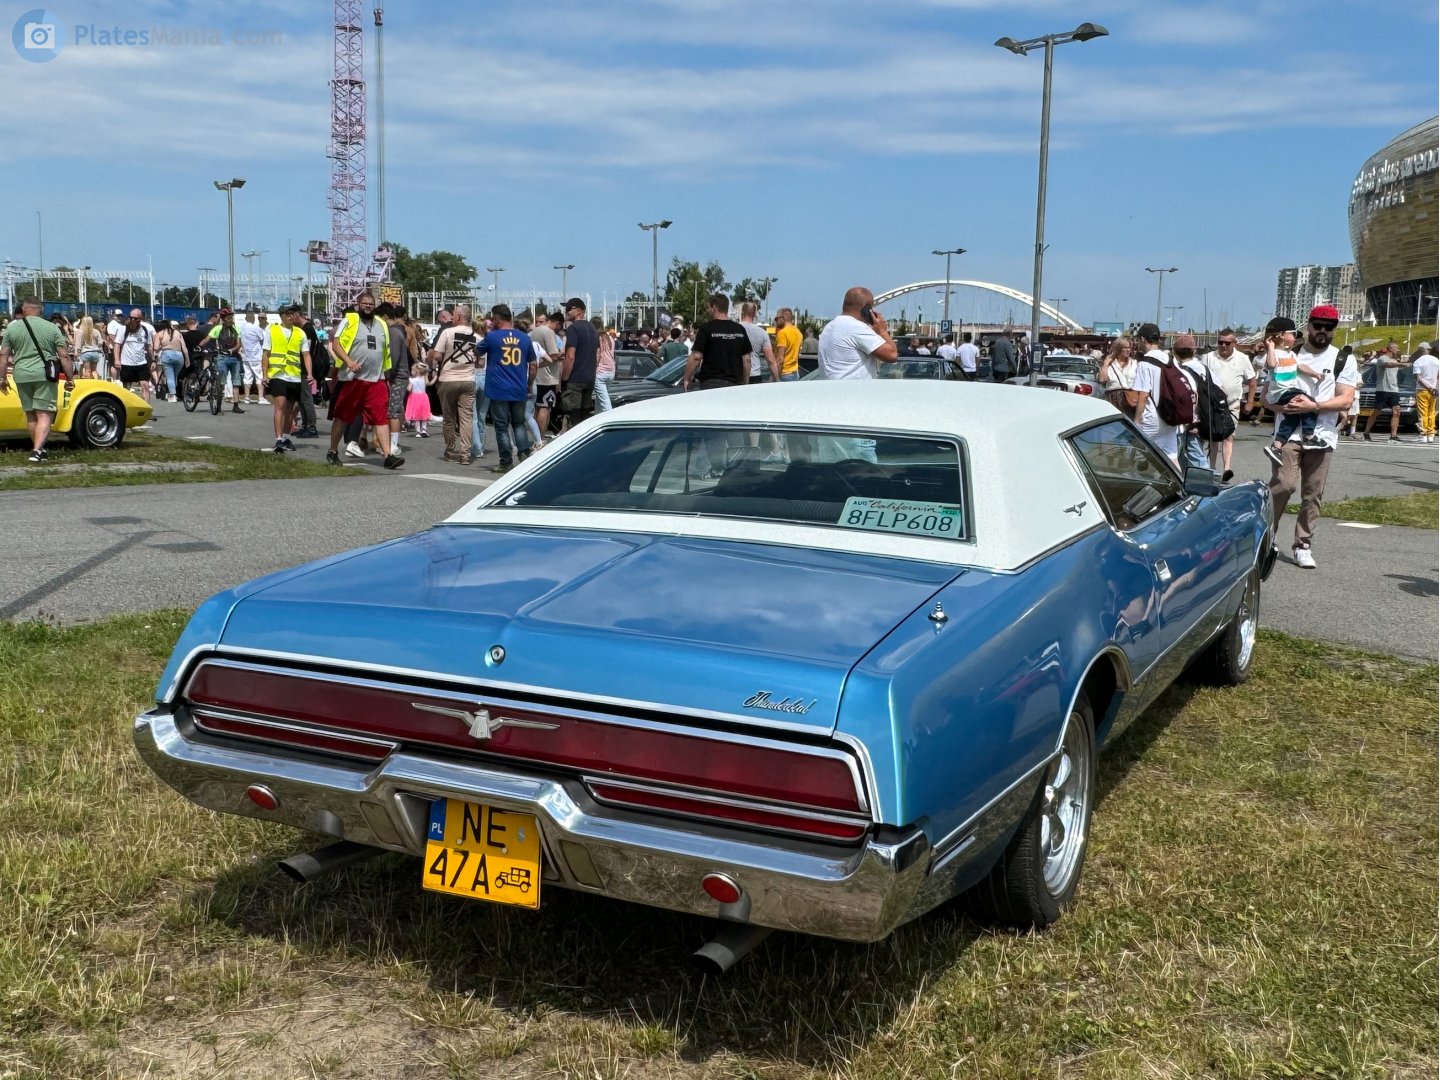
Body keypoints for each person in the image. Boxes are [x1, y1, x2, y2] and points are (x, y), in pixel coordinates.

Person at [1264, 305, 1356, 568]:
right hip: (1288, 433)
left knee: (1312, 493)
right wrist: (1287, 408)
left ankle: (1302, 544)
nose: (1323, 332)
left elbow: (1346, 399)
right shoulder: (1287, 353)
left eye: (1329, 328)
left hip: (1322, 435)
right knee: (1284, 485)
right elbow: (1266, 398)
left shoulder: (1343, 359)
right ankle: (1267, 536)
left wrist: (1313, 407)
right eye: (1318, 326)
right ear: (1308, 326)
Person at [328, 293, 403, 469]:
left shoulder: (381, 324)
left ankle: (388, 456)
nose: (368, 306)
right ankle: (332, 451)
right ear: (358, 304)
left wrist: (387, 375)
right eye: (365, 303)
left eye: (371, 304)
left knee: (381, 418)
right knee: (342, 417)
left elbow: (385, 351)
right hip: (353, 379)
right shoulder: (350, 320)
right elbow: (336, 343)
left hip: (377, 379)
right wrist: (348, 362)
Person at [0, 296, 74, 462]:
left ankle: (39, 449)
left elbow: (4, 354)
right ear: (41, 310)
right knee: (45, 413)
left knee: (31, 414)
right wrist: (70, 378)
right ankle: (36, 451)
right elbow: (63, 355)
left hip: (21, 374)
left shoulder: (12, 329)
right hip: (44, 374)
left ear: (24, 309)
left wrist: (2, 378)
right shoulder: (51, 328)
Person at [476, 304, 535, 473]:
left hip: (498, 388)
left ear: (498, 319)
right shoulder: (525, 338)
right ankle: (524, 455)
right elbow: (533, 364)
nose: (492, 322)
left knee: (501, 426)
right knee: (519, 423)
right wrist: (529, 383)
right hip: (519, 387)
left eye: (493, 319)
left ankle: (506, 461)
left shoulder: (492, 337)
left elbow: (477, 352)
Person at [1260, 316, 1325, 464]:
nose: (1295, 338)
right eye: (1293, 334)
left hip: (1289, 391)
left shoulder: (1291, 354)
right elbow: (1270, 365)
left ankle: (1277, 445)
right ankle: (1309, 436)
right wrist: (1270, 347)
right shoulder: (1274, 353)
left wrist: (1314, 373)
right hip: (1281, 392)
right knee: (1310, 403)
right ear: (1282, 335)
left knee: (1293, 417)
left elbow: (1301, 367)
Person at [1199, 329, 1256, 480]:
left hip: (1232, 403)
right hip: (1212, 404)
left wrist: (1250, 401)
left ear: (1234, 343)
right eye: (1220, 342)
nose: (1223, 346)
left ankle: (1227, 468)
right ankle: (1211, 468)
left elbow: (1252, 381)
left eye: (1227, 343)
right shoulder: (1207, 357)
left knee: (1229, 436)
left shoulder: (1243, 359)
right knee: (1213, 437)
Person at [426, 303, 478, 463]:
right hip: (468, 379)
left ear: (460, 316)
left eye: (454, 315)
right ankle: (465, 453)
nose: (452, 317)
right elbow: (481, 362)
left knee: (449, 417)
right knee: (466, 418)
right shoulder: (478, 336)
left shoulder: (447, 332)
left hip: (448, 378)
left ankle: (450, 449)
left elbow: (437, 356)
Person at [261, 306, 313, 455]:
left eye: (293, 314)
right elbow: (266, 354)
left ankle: (286, 437)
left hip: (294, 375)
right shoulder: (272, 330)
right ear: (282, 316)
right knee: (280, 404)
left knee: (290, 410)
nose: (291, 317)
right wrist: (265, 374)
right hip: (277, 374)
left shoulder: (300, 333)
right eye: (288, 314)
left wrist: (309, 373)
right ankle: (278, 439)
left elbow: (306, 354)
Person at [817, 287, 899, 380]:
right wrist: (882, 330)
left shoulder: (829, 327)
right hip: (854, 392)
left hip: (832, 390)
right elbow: (892, 355)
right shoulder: (856, 327)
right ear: (867, 309)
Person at [1130, 322, 1183, 462]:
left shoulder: (1144, 363)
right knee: (1172, 458)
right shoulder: (1171, 360)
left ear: (1142, 339)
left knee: (1137, 456)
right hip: (1170, 418)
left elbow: (1143, 394)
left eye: (1138, 340)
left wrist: (1136, 420)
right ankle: (1179, 483)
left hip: (1151, 418)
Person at [684, 293, 752, 389]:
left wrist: (687, 378)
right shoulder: (739, 329)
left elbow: (696, 357)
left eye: (708, 308)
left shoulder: (706, 329)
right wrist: (745, 383)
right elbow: (747, 359)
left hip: (711, 383)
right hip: (734, 384)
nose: (708, 311)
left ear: (714, 307)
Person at [560, 296, 600, 426]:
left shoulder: (573, 329)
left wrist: (564, 378)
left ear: (579, 311)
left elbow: (570, 356)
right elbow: (598, 355)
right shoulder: (593, 329)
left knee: (573, 415)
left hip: (575, 380)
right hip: (590, 379)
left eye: (569, 309)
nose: (566, 312)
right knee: (585, 415)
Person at [1363, 340, 1410, 443]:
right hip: (1383, 389)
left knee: (1397, 411)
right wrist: (1401, 365)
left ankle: (1393, 436)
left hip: (1394, 390)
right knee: (1376, 412)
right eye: (1396, 348)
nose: (1398, 349)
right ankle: (1366, 433)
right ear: (1390, 348)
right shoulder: (1382, 358)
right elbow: (1387, 365)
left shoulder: (1395, 360)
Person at [530, 309, 564, 442]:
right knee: (545, 407)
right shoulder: (549, 332)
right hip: (548, 377)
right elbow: (553, 354)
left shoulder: (534, 331)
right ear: (557, 323)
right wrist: (562, 353)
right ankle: (540, 438)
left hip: (535, 376)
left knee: (537, 407)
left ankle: (536, 437)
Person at [206, 309, 246, 413]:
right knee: (221, 381)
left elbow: (239, 343)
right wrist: (198, 346)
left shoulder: (236, 328)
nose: (231, 319)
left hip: (234, 358)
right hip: (222, 357)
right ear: (224, 319)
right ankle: (218, 404)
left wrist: (231, 350)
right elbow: (208, 338)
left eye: (231, 317)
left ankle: (235, 405)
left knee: (236, 381)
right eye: (229, 317)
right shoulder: (218, 328)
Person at [112, 309, 155, 399]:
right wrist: (117, 359)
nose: (132, 320)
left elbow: (149, 346)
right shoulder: (124, 329)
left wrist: (153, 360)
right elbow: (117, 344)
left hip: (141, 363)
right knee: (127, 387)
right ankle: (127, 408)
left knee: (145, 385)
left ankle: (145, 408)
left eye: (135, 319)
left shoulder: (145, 331)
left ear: (140, 319)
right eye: (131, 318)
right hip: (126, 363)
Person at [738, 301, 778, 384]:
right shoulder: (762, 332)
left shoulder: (734, 329)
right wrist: (777, 380)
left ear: (742, 313)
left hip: (738, 374)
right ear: (755, 314)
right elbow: (771, 360)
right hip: (755, 375)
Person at [1098, 337, 1137, 412]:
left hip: (1130, 399)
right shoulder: (1110, 364)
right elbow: (1102, 379)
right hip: (1112, 398)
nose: (1128, 350)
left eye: (1129, 348)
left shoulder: (1135, 363)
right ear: (1118, 349)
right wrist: (1105, 364)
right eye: (1125, 348)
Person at [154, 320, 189, 402]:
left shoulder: (160, 334)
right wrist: (187, 359)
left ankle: (172, 395)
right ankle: (173, 392)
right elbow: (184, 348)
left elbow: (155, 348)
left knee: (170, 376)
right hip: (179, 355)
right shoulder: (178, 333)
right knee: (175, 376)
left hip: (167, 355)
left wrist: (162, 346)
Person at [238, 309, 267, 405]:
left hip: (246, 356)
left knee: (247, 376)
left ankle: (247, 398)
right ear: (253, 319)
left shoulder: (242, 328)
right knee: (259, 376)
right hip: (256, 355)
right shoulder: (256, 328)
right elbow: (262, 339)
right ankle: (261, 397)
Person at [1411, 342, 1438, 443]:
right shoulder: (1436, 360)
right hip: (1434, 390)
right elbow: (1438, 376)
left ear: (1420, 349)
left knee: (1423, 412)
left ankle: (1423, 434)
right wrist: (1435, 387)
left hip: (1422, 390)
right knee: (1431, 412)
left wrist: (1429, 387)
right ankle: (1431, 434)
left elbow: (1419, 378)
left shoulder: (1418, 361)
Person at [773, 308, 803, 382]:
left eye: (777, 318)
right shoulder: (798, 332)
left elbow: (780, 359)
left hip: (784, 374)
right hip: (795, 373)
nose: (776, 321)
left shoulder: (782, 333)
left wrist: (774, 377)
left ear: (783, 318)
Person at [593, 315, 615, 411]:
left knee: (605, 404)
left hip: (600, 372)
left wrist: (593, 368)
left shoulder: (597, 337)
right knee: (600, 401)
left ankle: (610, 420)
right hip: (611, 371)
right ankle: (598, 418)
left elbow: (598, 355)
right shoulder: (610, 338)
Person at [73, 315, 106, 380]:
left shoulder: (80, 332)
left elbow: (78, 345)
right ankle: (97, 383)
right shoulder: (96, 331)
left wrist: (76, 354)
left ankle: (86, 384)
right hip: (95, 352)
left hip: (85, 352)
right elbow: (100, 342)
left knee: (86, 370)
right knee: (94, 370)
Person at [405, 362, 432, 437]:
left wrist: (406, 386)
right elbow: (428, 383)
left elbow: (409, 389)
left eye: (412, 370)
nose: (411, 371)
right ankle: (424, 430)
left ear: (416, 371)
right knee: (424, 414)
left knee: (417, 415)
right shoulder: (424, 378)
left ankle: (418, 431)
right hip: (423, 397)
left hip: (414, 398)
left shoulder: (412, 380)